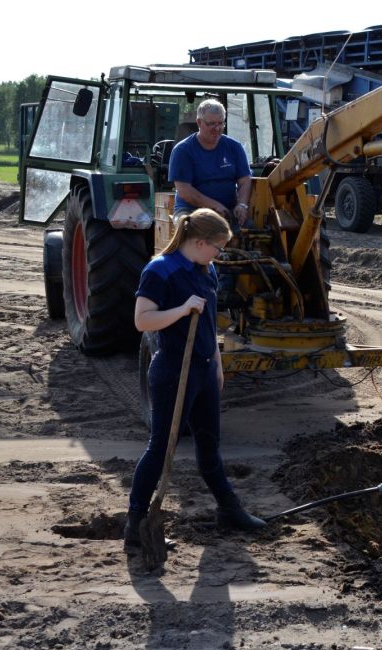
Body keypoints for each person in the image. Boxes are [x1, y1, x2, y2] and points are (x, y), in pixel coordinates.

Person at [124, 208, 265, 550]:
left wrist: (216, 362)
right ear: (199, 241)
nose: (219, 255)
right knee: (160, 449)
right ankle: (136, 525)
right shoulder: (161, 270)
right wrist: (182, 309)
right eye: (217, 247)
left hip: (202, 367)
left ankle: (229, 510)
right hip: (174, 369)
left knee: (209, 447)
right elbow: (142, 321)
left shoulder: (208, 269)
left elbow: (209, 321)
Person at [169, 99, 253, 227]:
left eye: (221, 123)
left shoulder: (234, 147)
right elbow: (184, 191)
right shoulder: (183, 151)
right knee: (188, 230)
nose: (217, 128)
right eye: (211, 124)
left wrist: (242, 205)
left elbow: (245, 180)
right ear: (199, 122)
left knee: (254, 230)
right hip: (191, 211)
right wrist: (214, 206)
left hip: (227, 210)